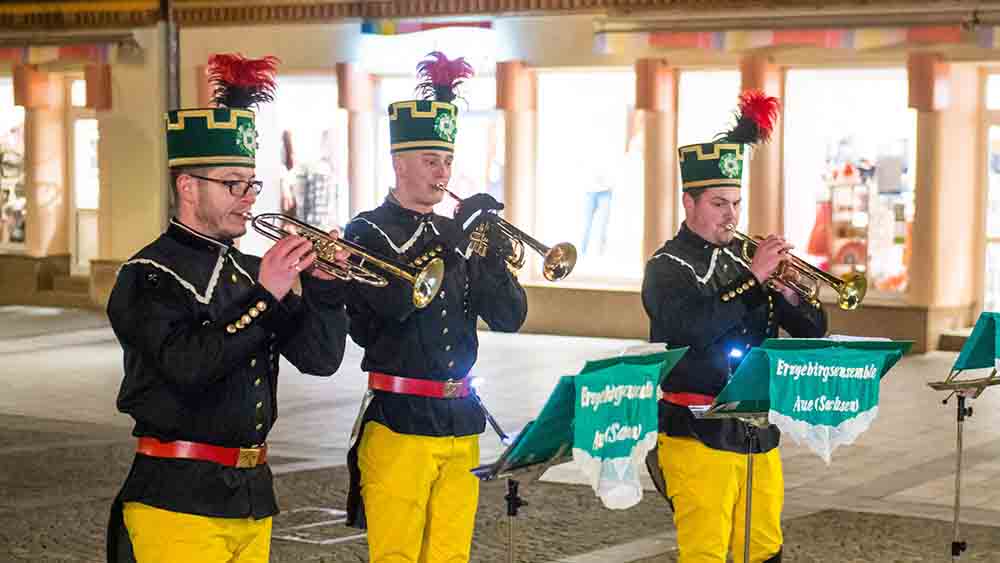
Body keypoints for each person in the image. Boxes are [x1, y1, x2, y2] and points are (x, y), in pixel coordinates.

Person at [105, 53, 350, 563]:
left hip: (251, 498)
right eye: (233, 183)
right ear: (188, 186)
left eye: (252, 183)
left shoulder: (248, 270)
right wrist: (267, 296)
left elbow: (320, 359)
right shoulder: (147, 275)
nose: (248, 197)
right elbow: (188, 365)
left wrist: (322, 286)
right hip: (176, 500)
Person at [342, 51, 528, 563]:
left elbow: (511, 318)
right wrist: (456, 241)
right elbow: (388, 310)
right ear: (400, 163)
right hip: (399, 419)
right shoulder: (368, 231)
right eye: (430, 161)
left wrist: (489, 255)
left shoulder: (458, 235)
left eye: (446, 161)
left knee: (451, 556)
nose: (442, 172)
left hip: (460, 419)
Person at [641, 91, 828, 563]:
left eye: (737, 204)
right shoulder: (666, 266)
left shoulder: (745, 261)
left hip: (757, 430)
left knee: (764, 548)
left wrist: (793, 293)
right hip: (695, 430)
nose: (732, 216)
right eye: (720, 203)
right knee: (706, 550)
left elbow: (812, 331)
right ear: (689, 202)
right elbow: (692, 328)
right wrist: (754, 279)